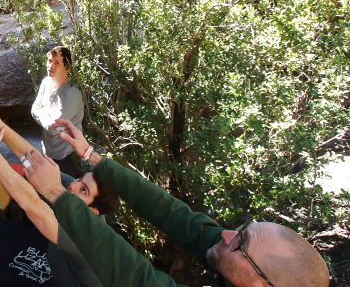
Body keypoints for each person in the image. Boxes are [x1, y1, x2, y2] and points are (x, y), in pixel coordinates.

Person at [22, 118, 331, 287]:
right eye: (240, 230)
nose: (225, 235)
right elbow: (173, 214)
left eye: (240, 243)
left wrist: (58, 195)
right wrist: (94, 158)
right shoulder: (234, 255)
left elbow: (136, 278)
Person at [0, 87, 119, 287]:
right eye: (81, 180)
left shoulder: (86, 240)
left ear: (94, 211)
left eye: (83, 190)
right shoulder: (75, 193)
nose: (74, 186)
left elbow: (33, 206)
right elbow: (32, 159)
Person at [31, 46, 85, 176]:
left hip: (68, 155)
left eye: (57, 63)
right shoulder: (46, 83)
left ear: (67, 68)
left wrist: (43, 113)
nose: (51, 66)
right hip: (48, 150)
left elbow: (54, 128)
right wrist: (49, 120)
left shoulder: (72, 93)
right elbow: (34, 110)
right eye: (50, 61)